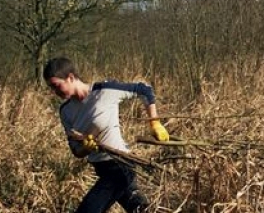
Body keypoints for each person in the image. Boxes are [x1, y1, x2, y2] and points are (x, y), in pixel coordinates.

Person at [43, 57, 170, 213]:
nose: (54, 92)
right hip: (102, 168)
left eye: (56, 86)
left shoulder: (104, 91)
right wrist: (86, 148)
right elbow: (75, 150)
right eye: (51, 88)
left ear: (70, 77)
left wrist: (154, 123)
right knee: (141, 210)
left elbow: (144, 89)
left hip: (121, 165)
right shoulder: (65, 111)